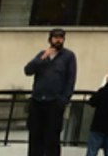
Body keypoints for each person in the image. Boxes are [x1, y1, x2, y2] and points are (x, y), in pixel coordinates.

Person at [23, 27, 77, 156]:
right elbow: (28, 70)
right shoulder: (42, 54)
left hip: (54, 102)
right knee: (35, 136)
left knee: (52, 137)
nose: (58, 40)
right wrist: (42, 58)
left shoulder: (68, 56)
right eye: (56, 38)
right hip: (37, 101)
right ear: (50, 39)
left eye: (61, 38)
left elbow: (70, 80)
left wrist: (63, 100)